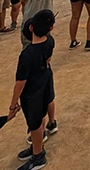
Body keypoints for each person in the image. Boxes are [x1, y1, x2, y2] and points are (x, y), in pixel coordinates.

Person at [10, 9, 57, 170]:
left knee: (35, 122)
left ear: (31, 28)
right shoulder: (50, 41)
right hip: (44, 81)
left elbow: (20, 82)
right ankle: (36, 146)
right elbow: (48, 60)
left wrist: (13, 102)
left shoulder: (27, 55)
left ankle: (38, 156)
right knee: (39, 117)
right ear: (51, 28)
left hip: (31, 92)